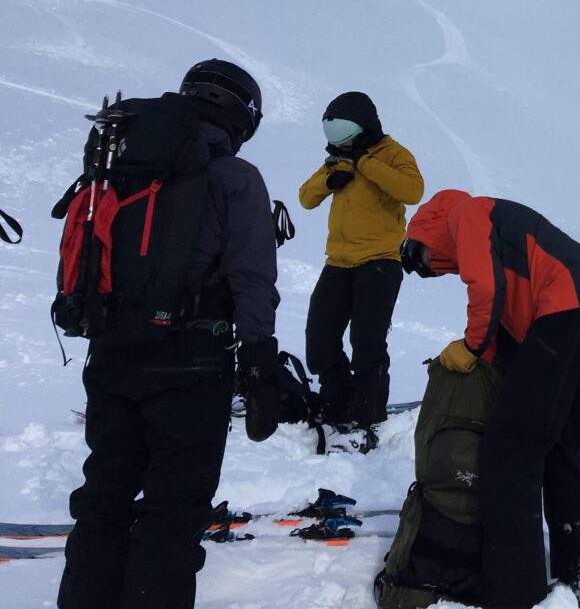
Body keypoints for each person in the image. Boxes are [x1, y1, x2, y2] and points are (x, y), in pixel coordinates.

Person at [58, 59, 282, 609]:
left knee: (103, 500)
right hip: (191, 364)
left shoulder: (122, 160)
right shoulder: (236, 177)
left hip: (110, 353)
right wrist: (259, 362)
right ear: (241, 116)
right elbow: (252, 276)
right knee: (172, 511)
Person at [402, 189, 580, 609]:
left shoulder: (467, 213)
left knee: (509, 452)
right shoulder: (506, 251)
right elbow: (506, 344)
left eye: (420, 257)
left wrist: (469, 347)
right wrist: (477, 363)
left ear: (427, 228)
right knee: (562, 445)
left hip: (570, 306)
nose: (431, 269)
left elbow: (485, 294)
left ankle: (515, 594)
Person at [298, 91, 422, 437]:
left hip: (380, 262)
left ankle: (367, 413)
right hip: (338, 261)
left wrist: (366, 164)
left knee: (367, 339)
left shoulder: (394, 154)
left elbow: (412, 190)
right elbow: (305, 198)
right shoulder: (338, 158)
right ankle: (335, 402)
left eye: (349, 140)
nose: (345, 147)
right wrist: (328, 179)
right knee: (320, 336)